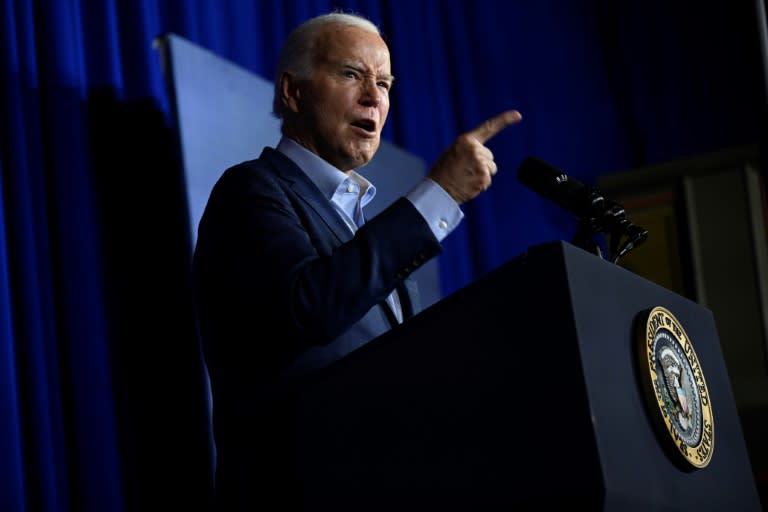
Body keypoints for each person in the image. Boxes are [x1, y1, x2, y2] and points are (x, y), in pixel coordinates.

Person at [191, 10, 522, 510]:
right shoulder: (252, 190)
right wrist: (440, 194)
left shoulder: (364, 233)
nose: (375, 96)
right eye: (352, 74)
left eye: (385, 83)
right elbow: (311, 306)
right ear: (293, 91)